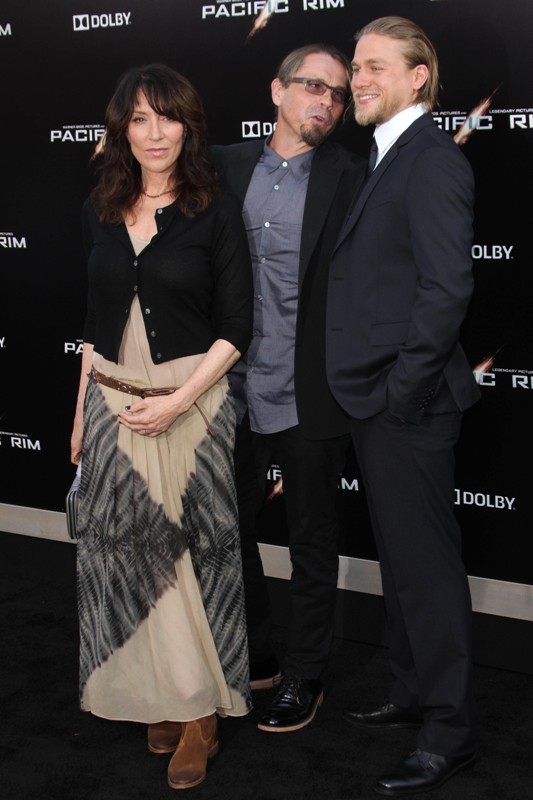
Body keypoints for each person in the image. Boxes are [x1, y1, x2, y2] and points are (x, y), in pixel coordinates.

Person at [70, 63, 253, 791]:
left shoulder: (214, 210)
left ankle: (199, 711)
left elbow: (236, 327)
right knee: (130, 562)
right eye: (139, 120)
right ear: (122, 130)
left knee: (189, 562)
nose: (155, 134)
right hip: (112, 405)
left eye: (167, 117)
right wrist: (80, 415)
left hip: (192, 410)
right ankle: (162, 692)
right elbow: (92, 324)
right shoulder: (100, 208)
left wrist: (177, 403)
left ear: (188, 126)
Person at [325, 17, 480, 795]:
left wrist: (401, 395)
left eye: (375, 67)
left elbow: (446, 289)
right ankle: (413, 691)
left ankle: (449, 732)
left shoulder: (430, 159)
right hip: (376, 397)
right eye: (355, 66)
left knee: (426, 570)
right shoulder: (385, 154)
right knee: (401, 563)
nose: (357, 79)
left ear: (418, 76)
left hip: (404, 403)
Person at [210, 44, 366, 732]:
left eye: (337, 93)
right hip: (227, 385)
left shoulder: (353, 175)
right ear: (277, 91)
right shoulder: (223, 166)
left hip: (309, 390)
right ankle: (260, 653)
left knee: (311, 539)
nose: (325, 101)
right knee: (227, 527)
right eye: (312, 86)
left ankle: (305, 674)